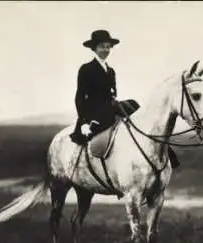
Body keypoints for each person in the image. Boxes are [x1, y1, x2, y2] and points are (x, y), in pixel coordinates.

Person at [70, 30, 180, 168]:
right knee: (115, 115)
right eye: (102, 46)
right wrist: (84, 118)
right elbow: (80, 96)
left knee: (134, 105)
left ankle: (165, 150)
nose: (105, 49)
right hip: (95, 110)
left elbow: (112, 93)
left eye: (108, 46)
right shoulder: (86, 69)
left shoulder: (110, 71)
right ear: (94, 48)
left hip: (110, 106)